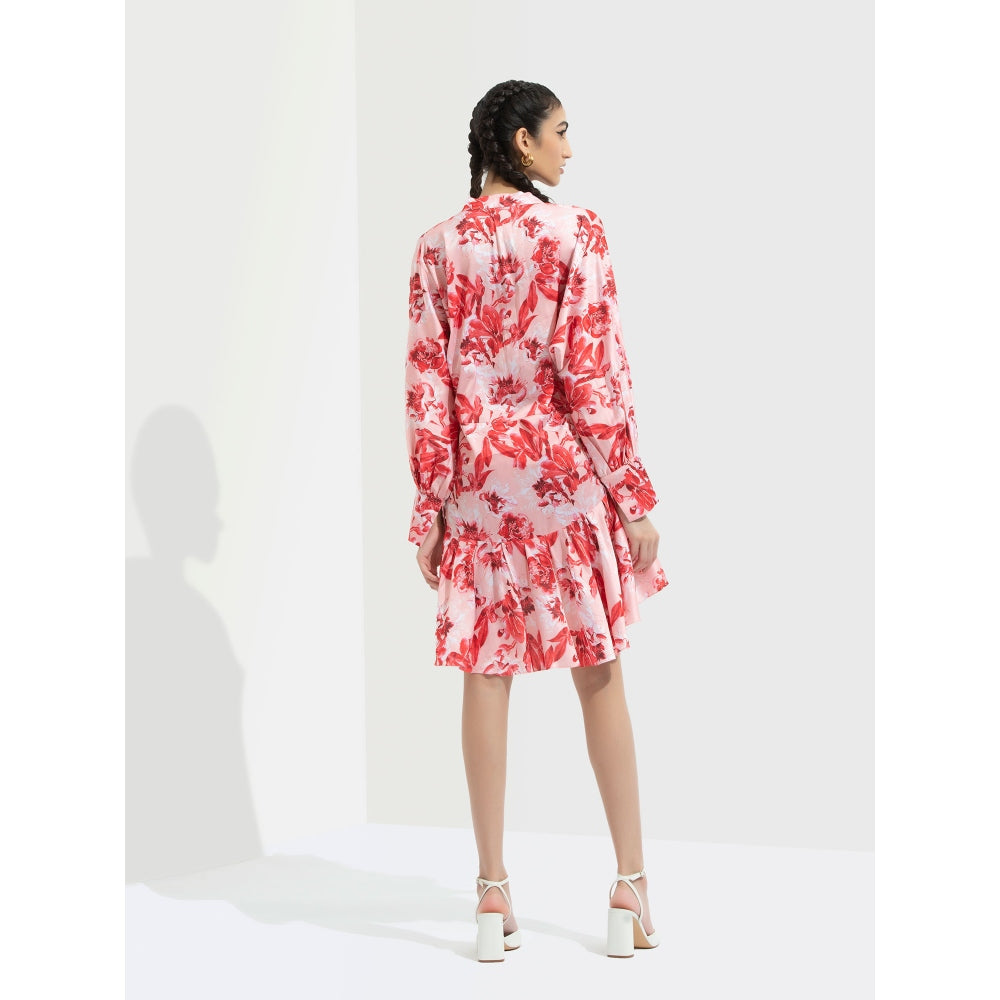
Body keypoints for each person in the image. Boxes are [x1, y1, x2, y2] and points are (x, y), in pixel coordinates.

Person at [403, 80, 669, 961]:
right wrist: (632, 494)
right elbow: (594, 375)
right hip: (563, 483)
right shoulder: (575, 233)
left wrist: (430, 508)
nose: (568, 147)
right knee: (599, 673)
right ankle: (630, 885)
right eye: (559, 130)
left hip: (481, 490)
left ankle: (491, 894)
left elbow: (427, 384)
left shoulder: (437, 246)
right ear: (522, 141)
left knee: (486, 674)